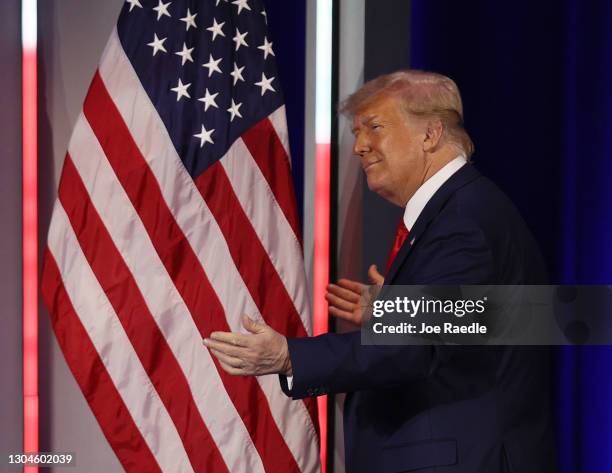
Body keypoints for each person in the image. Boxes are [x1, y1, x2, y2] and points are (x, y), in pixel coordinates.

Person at [204, 70, 556, 473]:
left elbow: (414, 348)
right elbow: (468, 326)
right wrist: (394, 311)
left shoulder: (463, 222)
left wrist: (290, 356)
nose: (359, 147)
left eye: (374, 127)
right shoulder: (463, 210)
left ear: (431, 134)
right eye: (356, 132)